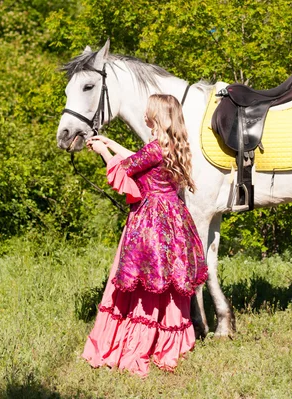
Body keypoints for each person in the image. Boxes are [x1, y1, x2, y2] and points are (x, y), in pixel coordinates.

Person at [81, 94, 207, 377]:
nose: (145, 115)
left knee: (144, 281)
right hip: (173, 216)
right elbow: (141, 159)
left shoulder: (154, 148)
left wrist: (103, 151)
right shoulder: (172, 145)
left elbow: (125, 169)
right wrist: (112, 143)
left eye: (149, 112)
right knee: (168, 281)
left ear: (157, 116)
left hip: (151, 220)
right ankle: (170, 339)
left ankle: (140, 344)